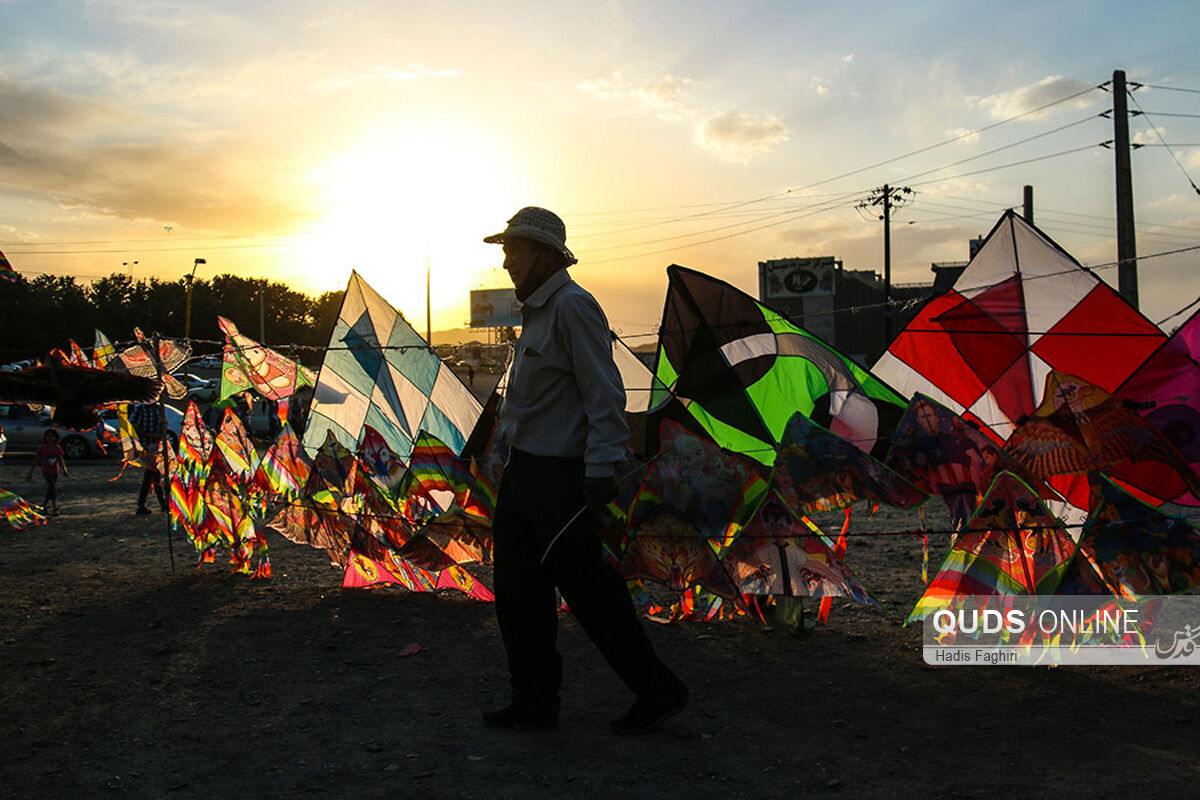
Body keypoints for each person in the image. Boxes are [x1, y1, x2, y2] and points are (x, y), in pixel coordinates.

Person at [480, 206, 687, 734]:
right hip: (526, 475)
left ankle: (658, 690)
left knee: (591, 595)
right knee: (518, 591)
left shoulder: (574, 308)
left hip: (562, 479)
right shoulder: (536, 313)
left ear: (545, 254)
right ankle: (533, 701)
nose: (506, 261)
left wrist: (600, 469)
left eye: (514, 250)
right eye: (505, 250)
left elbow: (605, 396)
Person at [129, 402, 167, 515]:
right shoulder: (140, 409)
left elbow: (163, 425)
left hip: (157, 447)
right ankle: (158, 504)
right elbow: (133, 425)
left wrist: (161, 435)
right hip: (146, 446)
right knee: (153, 475)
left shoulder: (159, 409)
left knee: (153, 475)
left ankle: (151, 504)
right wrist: (147, 436)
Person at [28, 428, 68, 516]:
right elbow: (36, 460)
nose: (50, 438)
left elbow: (61, 459)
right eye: (48, 436)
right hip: (46, 471)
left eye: (53, 436)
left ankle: (44, 506)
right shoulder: (43, 448)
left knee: (51, 489)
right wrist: (31, 472)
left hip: (55, 471)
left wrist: (64, 469)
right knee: (52, 487)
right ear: (45, 437)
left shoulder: (57, 448)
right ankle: (55, 507)